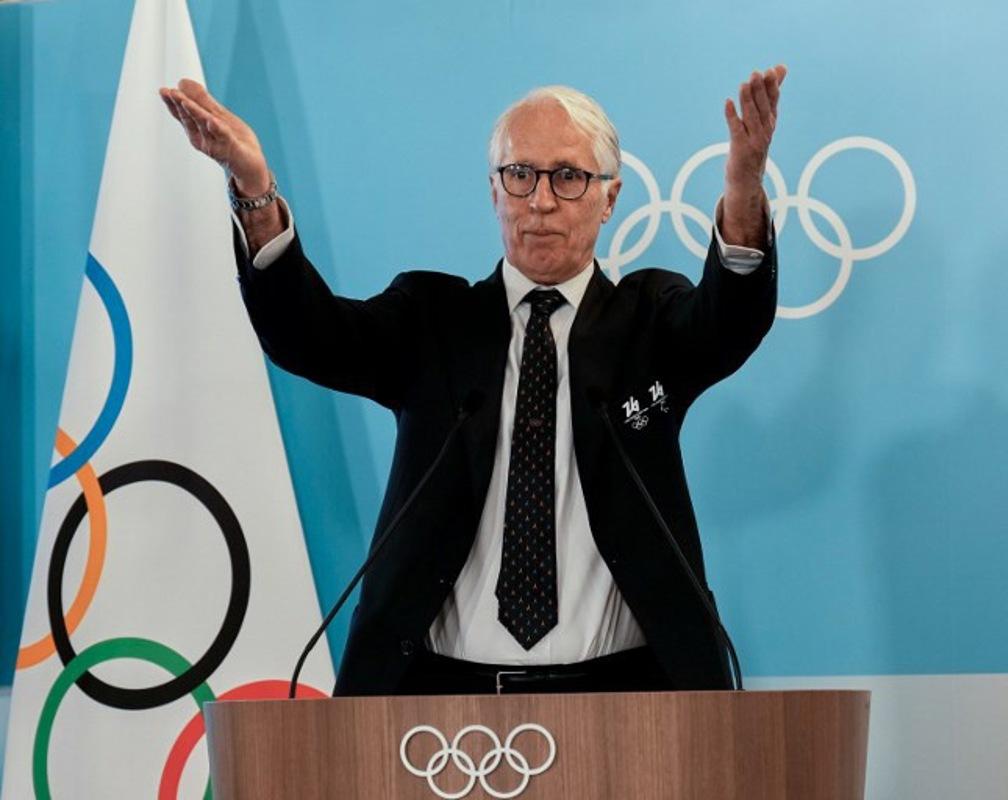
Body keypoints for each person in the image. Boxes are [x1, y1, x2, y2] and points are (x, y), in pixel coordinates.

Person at [159, 66, 786, 696]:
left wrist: (743, 190)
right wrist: (255, 188)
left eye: (567, 177)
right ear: (495, 192)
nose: (541, 201)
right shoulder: (433, 319)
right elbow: (308, 334)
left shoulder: (647, 320)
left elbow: (726, 323)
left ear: (609, 197)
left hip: (626, 694)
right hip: (438, 695)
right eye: (521, 176)